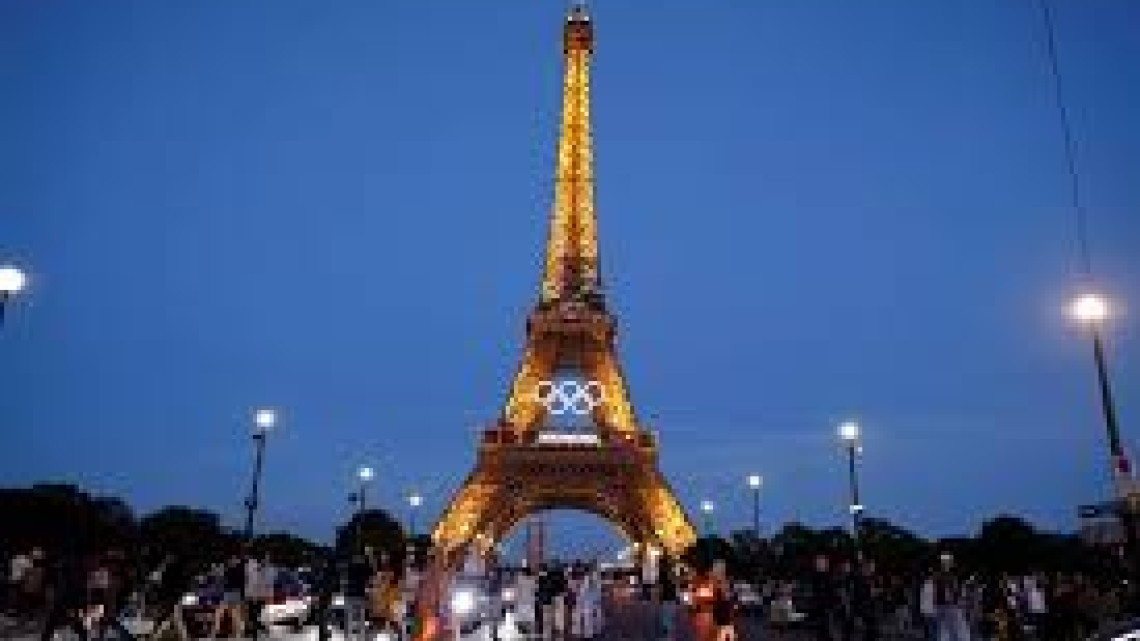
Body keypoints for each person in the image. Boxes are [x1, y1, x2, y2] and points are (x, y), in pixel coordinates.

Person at [209, 555, 246, 640]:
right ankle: (216, 632)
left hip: (234, 593)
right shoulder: (230, 568)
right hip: (230, 593)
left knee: (234, 614)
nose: (232, 560)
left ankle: (239, 633)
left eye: (234, 559)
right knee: (223, 613)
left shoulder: (238, 569)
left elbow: (241, 582)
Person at [710, 560, 737, 641]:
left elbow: (730, 599)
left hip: (725, 616)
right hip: (721, 617)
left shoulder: (727, 583)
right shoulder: (716, 584)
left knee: (725, 634)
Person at [658, 557, 680, 640]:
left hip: (666, 599)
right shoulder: (671, 573)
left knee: (667, 620)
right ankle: (670, 636)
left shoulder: (662, 573)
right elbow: (675, 585)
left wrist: (659, 598)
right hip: (671, 599)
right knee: (670, 619)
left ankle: (668, 637)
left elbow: (660, 587)